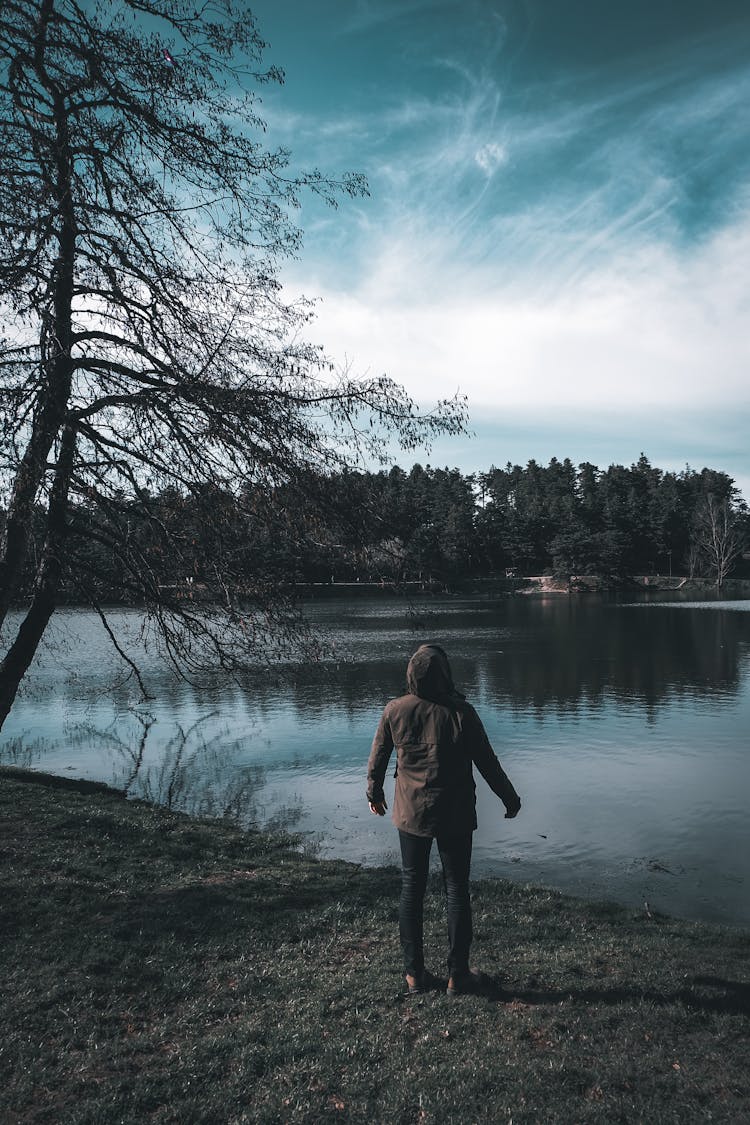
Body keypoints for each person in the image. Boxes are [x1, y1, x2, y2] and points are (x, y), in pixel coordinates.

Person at [366, 643, 521, 996]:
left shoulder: (395, 710)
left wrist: (374, 794)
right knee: (456, 889)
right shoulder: (461, 713)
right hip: (454, 813)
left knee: (412, 889)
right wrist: (509, 798)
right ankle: (458, 975)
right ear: (445, 675)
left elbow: (378, 756)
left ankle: (414, 975)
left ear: (410, 674)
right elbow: (487, 762)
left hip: (411, 814)